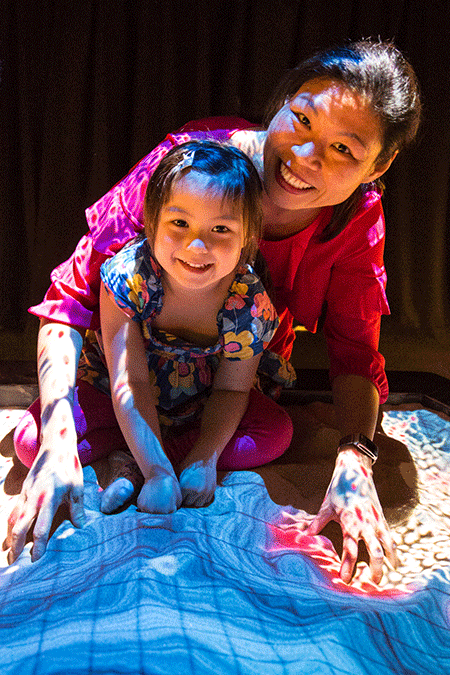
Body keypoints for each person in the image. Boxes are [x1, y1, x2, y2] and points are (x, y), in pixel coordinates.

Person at [8, 39, 421, 584]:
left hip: (227, 381)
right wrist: (60, 438)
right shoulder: (190, 167)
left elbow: (355, 352)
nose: (303, 157)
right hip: (128, 370)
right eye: (299, 120)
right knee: (40, 437)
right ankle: (134, 455)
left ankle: (160, 457)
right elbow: (72, 299)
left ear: (380, 164)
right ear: (280, 102)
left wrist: (356, 459)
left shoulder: (354, 224)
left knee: (272, 433)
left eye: (344, 149)